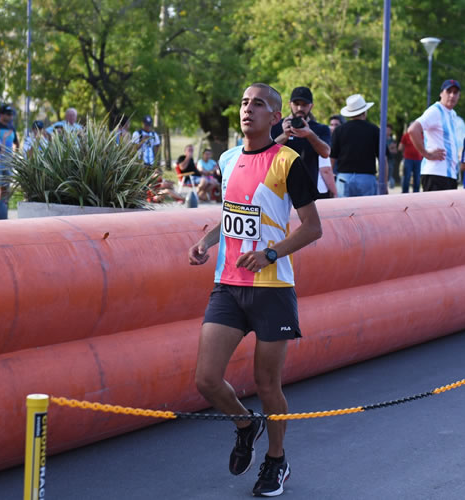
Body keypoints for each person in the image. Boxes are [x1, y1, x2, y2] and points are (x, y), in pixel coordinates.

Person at [188, 83, 321, 498]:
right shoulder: (228, 159)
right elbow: (231, 214)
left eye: (258, 104)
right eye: (245, 103)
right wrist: (206, 243)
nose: (248, 109)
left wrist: (270, 253)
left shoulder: (289, 161)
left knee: (267, 384)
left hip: (272, 288)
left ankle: (276, 461)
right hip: (227, 286)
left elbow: (313, 228)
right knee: (207, 380)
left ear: (275, 116)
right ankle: (247, 425)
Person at [271, 86, 332, 195]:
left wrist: (309, 134)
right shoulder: (276, 125)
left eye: (304, 105)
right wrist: (285, 135)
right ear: (290, 104)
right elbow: (266, 153)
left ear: (311, 106)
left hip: (307, 188)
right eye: (296, 104)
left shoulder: (320, 129)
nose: (300, 108)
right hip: (279, 186)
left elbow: (326, 152)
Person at [407, 79, 462, 191]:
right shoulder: (435, 111)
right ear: (441, 93)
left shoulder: (452, 113)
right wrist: (427, 154)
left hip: (449, 175)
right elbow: (413, 130)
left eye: (455, 92)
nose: (452, 95)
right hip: (435, 173)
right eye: (449, 91)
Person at [330, 93, 380, 197]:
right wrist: (383, 182)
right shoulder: (374, 130)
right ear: (364, 112)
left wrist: (330, 182)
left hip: (344, 177)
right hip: (367, 177)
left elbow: (332, 158)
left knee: (344, 211)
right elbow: (383, 158)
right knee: (367, 212)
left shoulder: (339, 130)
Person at [0, 105, 18, 212]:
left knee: (7, 187)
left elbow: (16, 143)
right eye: (8, 114)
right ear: (1, 115)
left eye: (11, 114)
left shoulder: (11, 128)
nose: (10, 116)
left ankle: (4, 210)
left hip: (8, 161)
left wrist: (15, 156)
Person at [399, 122, 422, 192]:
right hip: (408, 159)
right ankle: (405, 193)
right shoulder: (406, 136)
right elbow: (400, 147)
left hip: (418, 159)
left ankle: (416, 193)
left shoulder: (421, 135)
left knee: (417, 178)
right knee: (407, 177)